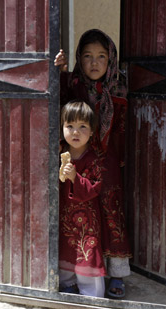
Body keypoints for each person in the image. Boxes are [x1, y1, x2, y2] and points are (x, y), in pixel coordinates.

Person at [55, 29, 131, 298]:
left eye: (101, 56)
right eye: (87, 56)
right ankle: (77, 271)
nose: (95, 62)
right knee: (81, 218)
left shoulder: (118, 86)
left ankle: (117, 275)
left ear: (110, 60)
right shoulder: (73, 85)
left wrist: (119, 162)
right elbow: (59, 106)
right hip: (80, 157)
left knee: (111, 216)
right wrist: (61, 71)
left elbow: (121, 129)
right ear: (79, 59)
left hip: (108, 162)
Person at [58, 101, 106, 297]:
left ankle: (91, 295)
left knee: (88, 252)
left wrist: (75, 178)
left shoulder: (94, 159)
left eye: (82, 127)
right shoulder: (59, 154)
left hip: (87, 220)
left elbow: (95, 187)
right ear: (61, 128)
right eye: (70, 126)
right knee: (65, 249)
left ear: (93, 131)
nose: (75, 132)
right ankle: (67, 286)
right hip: (64, 215)